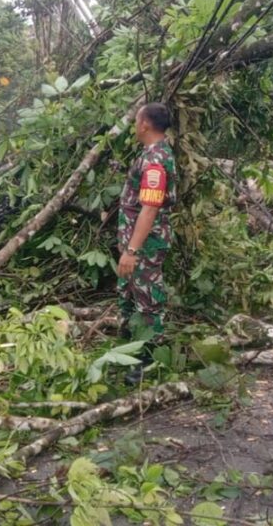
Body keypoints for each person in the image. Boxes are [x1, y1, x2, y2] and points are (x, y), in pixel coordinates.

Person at [116, 102, 176, 385]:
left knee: (148, 298)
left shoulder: (156, 160)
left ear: (145, 124)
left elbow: (150, 209)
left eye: (136, 119)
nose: (134, 125)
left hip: (145, 245)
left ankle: (148, 360)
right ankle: (130, 350)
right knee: (131, 294)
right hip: (137, 243)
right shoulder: (150, 154)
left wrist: (132, 250)